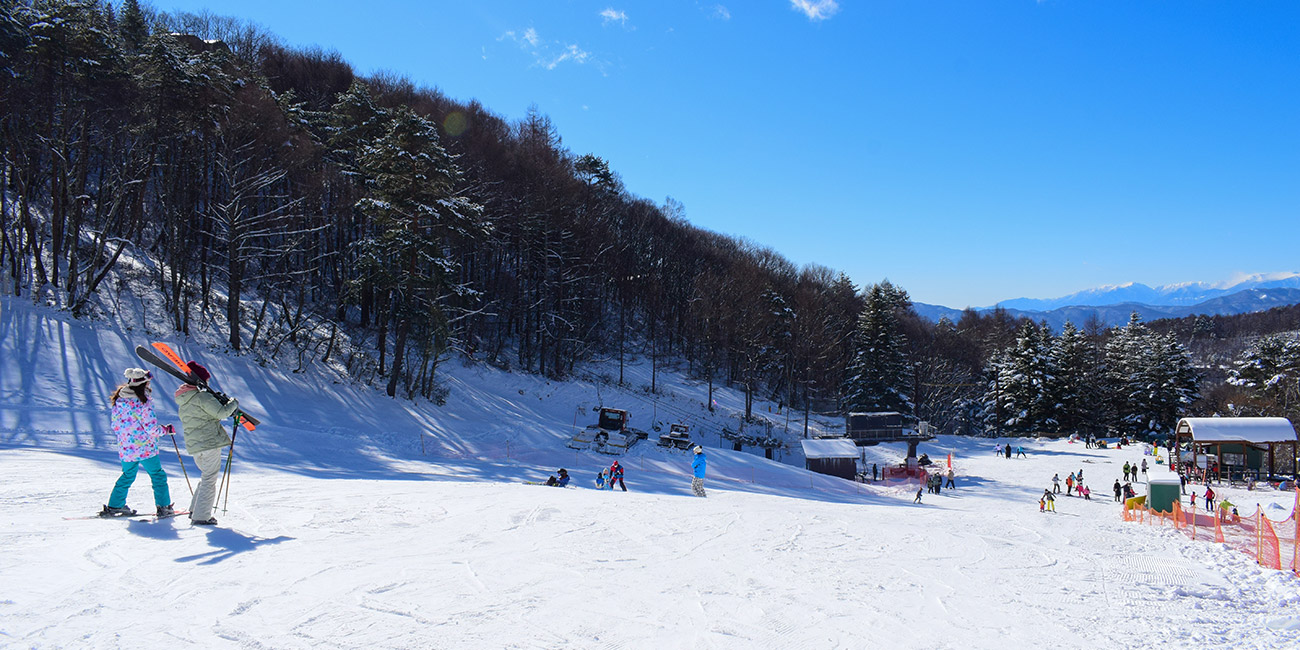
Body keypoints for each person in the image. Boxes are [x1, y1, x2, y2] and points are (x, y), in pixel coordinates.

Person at [101, 368, 175, 518]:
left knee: (128, 474)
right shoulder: (143, 403)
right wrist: (166, 430)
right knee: (157, 475)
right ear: (144, 384)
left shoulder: (119, 400)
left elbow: (115, 425)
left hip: (126, 448)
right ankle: (163, 506)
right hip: (145, 447)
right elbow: (151, 428)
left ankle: (115, 505)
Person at [175, 361, 240, 526]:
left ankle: (194, 510)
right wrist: (233, 402)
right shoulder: (202, 397)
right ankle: (201, 516)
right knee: (209, 479)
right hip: (209, 443)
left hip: (195, 445)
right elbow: (221, 413)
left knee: (206, 477)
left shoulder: (184, 399)